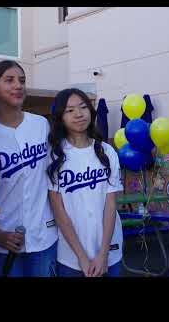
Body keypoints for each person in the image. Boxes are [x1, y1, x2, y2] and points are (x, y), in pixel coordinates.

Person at [0, 60, 58, 277]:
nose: (18, 85)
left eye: (22, 81)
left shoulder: (41, 124)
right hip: (4, 240)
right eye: (10, 80)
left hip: (43, 235)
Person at [47, 88, 124, 277]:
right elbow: (59, 211)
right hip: (70, 256)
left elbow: (110, 205)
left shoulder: (106, 151)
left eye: (83, 107)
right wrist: (81, 256)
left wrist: (103, 254)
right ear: (60, 117)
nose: (79, 114)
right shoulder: (54, 155)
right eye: (70, 110)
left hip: (109, 251)